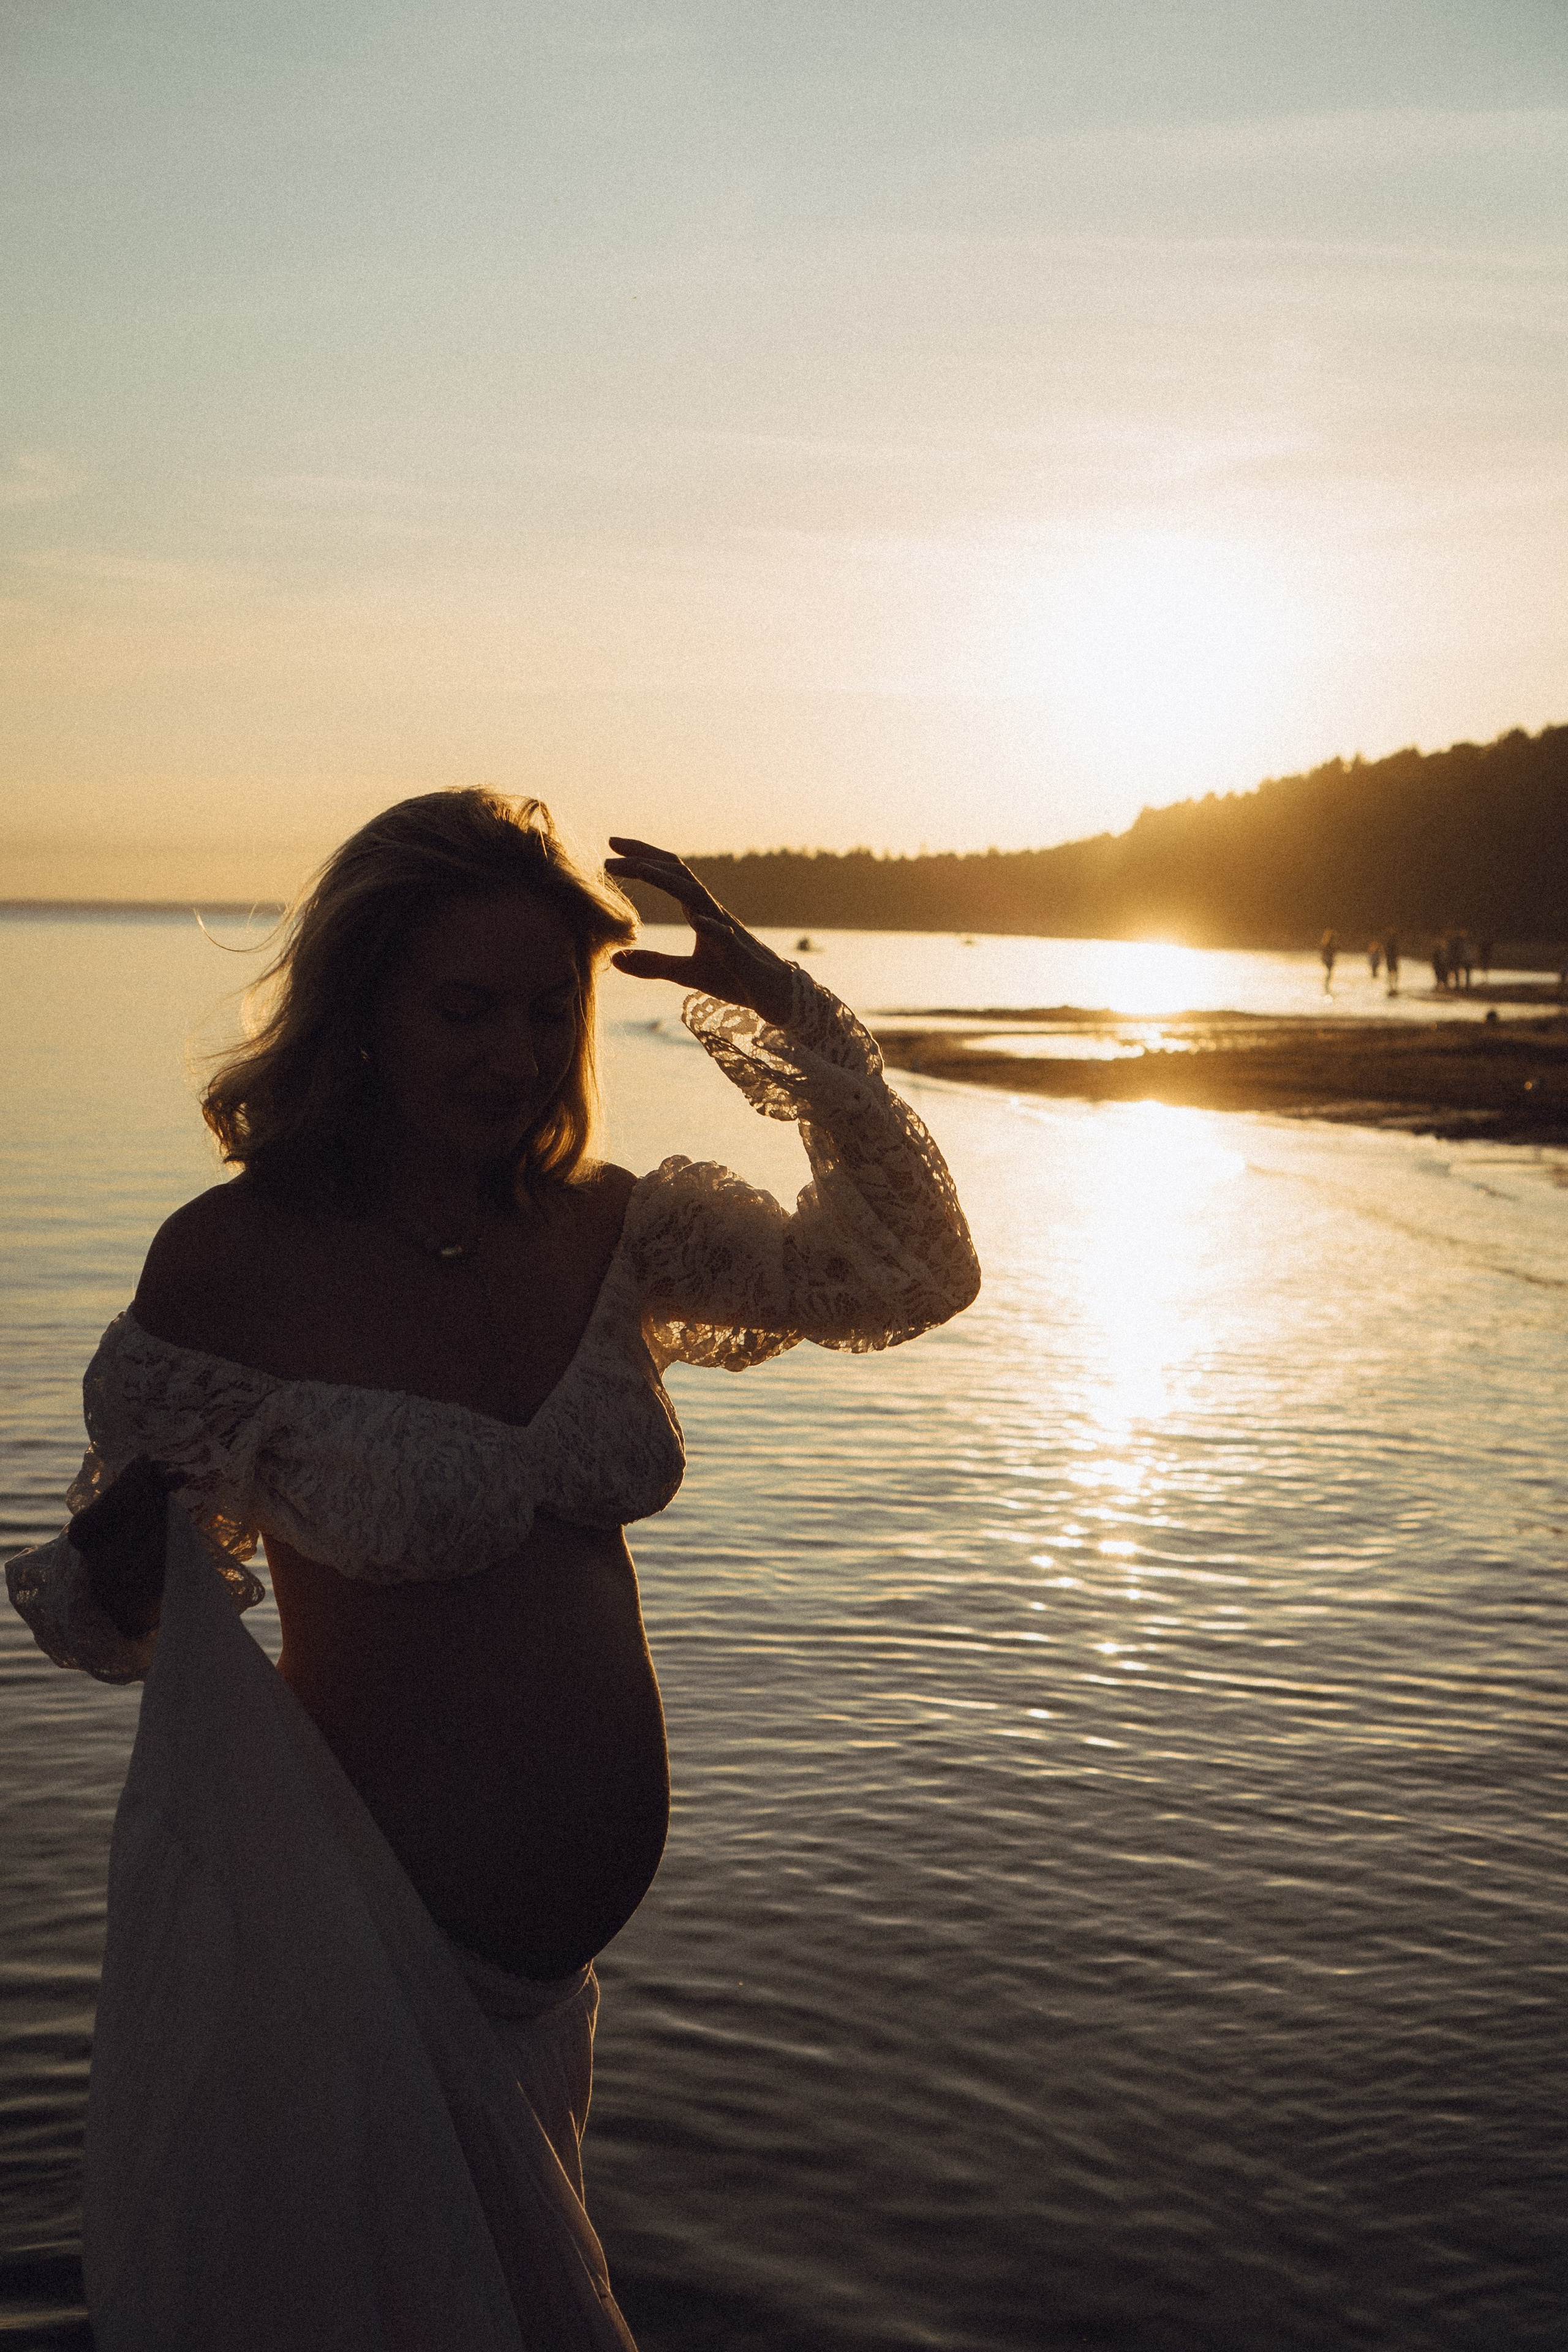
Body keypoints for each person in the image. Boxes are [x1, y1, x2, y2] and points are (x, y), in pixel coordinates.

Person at [6, 791, 981, 2351]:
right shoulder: (229, 1266)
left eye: (547, 1009)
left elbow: (906, 1274)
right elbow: (102, 1621)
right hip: (343, 1962)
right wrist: (130, 1556)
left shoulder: (614, 1231)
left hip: (541, 1998)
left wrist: (786, 1012)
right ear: (362, 1007)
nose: (512, 1053)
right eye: (463, 1007)